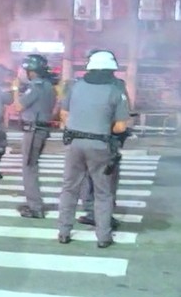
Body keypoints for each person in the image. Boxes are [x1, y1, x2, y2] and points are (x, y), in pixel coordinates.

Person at [57, 50, 131, 248]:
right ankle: (103, 237)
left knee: (69, 188)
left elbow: (63, 115)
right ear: (111, 69)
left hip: (74, 143)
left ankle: (64, 232)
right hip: (100, 145)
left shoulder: (75, 86)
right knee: (103, 192)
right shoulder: (116, 89)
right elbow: (120, 127)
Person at [14, 54, 57, 219]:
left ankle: (35, 207)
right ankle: (35, 203)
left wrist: (16, 89)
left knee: (29, 168)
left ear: (31, 71)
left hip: (33, 131)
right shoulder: (48, 86)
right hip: (41, 129)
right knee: (31, 166)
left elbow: (18, 106)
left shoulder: (36, 86)